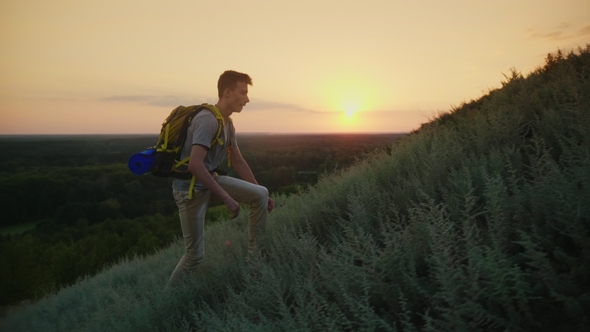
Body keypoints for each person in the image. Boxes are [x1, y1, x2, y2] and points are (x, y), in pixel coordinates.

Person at [168, 70, 274, 287]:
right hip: (189, 189)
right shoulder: (207, 119)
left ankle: (255, 264)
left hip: (209, 180)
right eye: (242, 93)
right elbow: (195, 165)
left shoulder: (227, 123)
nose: (247, 99)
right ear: (227, 93)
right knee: (194, 256)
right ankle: (166, 302)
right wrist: (226, 197)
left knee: (260, 194)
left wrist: (259, 190)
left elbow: (238, 162)